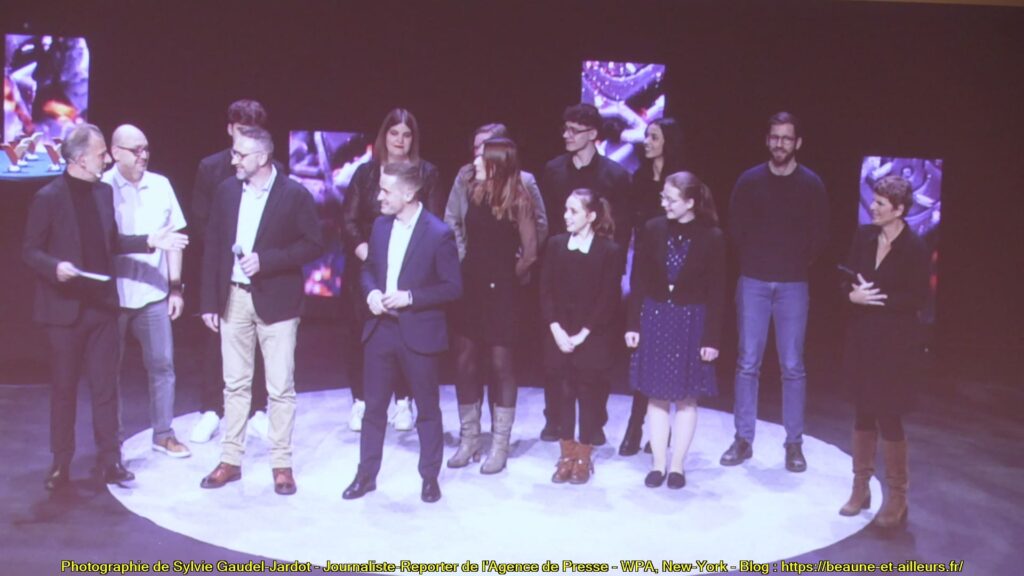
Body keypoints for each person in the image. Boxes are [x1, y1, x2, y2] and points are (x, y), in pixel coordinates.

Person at [23, 123, 188, 490]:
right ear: (81, 159)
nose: (107, 160)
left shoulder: (102, 193)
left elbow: (112, 242)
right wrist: (55, 267)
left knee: (105, 388)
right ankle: (60, 462)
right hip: (64, 312)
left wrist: (149, 241)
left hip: (101, 308)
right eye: (101, 155)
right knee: (64, 389)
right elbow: (30, 250)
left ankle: (110, 459)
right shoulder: (49, 197)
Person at [199, 126, 322, 496]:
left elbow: (313, 244)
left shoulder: (294, 194)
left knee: (280, 387)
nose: (233, 159)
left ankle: (281, 464)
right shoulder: (226, 191)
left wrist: (266, 260)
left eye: (240, 154)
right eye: (234, 152)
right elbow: (213, 246)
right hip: (233, 299)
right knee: (235, 383)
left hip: (278, 301)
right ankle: (230, 459)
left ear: (263, 157)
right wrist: (209, 301)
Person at [342, 162, 462, 503]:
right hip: (380, 329)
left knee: (427, 409)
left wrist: (411, 297)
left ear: (408, 193)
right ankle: (366, 476)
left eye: (385, 190)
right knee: (374, 408)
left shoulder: (438, 233)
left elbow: (452, 287)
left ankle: (429, 477)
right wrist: (370, 293)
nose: (379, 197)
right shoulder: (381, 227)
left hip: (418, 333)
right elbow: (368, 269)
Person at [721, 111, 828, 473]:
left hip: (793, 283)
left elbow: (819, 234)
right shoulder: (749, 181)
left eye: (787, 138)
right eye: (775, 137)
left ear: (798, 143)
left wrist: (795, 263)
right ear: (767, 140)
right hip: (753, 280)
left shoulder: (811, 184)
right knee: (747, 362)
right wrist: (755, 259)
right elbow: (735, 228)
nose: (780, 144)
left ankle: (794, 444)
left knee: (793, 366)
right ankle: (743, 439)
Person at [340, 108, 440, 432]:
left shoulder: (427, 173)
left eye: (407, 134)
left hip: (409, 269)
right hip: (366, 268)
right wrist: (369, 255)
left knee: (404, 335)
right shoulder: (366, 173)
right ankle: (361, 401)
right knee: (361, 335)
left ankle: (404, 401)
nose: (400, 140)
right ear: (384, 136)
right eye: (394, 133)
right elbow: (349, 221)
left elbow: (434, 223)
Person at [838, 175, 928, 528]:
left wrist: (878, 299)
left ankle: (898, 497)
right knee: (862, 412)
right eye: (873, 201)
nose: (872, 207)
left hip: (895, 344)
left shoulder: (915, 248)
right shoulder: (863, 237)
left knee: (888, 415)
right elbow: (844, 277)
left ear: (899, 210)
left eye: (880, 203)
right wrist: (851, 295)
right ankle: (860, 488)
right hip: (862, 336)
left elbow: (918, 298)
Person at [539, 103, 631, 443]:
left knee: (595, 361)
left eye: (574, 130)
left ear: (593, 134)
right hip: (560, 267)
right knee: (556, 358)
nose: (566, 135)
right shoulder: (553, 171)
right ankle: (555, 420)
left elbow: (623, 229)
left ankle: (594, 424)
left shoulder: (615, 176)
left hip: (598, 274)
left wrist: (612, 272)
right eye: (565, 129)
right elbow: (547, 219)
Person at [626, 172, 724, 489]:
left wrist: (711, 338)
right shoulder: (653, 229)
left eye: (671, 199)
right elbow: (638, 280)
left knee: (686, 398)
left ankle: (677, 466)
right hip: (656, 317)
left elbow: (717, 292)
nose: (664, 203)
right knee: (655, 395)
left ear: (691, 202)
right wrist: (633, 323)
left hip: (690, 321)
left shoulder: (712, 237)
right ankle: (658, 463)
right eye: (663, 197)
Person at [447, 137, 538, 474]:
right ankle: (470, 438)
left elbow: (530, 252)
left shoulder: (520, 200)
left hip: (502, 291)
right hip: (470, 287)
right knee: (464, 360)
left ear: (498, 164)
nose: (476, 162)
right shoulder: (474, 191)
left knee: (501, 364)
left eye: (483, 158)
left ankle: (499, 444)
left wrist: (507, 276)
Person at [102, 124, 190, 458]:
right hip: (112, 299)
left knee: (162, 366)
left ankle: (163, 434)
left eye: (146, 148)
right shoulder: (102, 188)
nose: (143, 155)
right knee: (108, 372)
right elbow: (103, 243)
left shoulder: (161, 185)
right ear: (115, 153)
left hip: (153, 294)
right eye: (135, 150)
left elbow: (174, 241)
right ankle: (111, 442)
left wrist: (175, 288)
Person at [190, 99, 271, 444]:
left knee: (261, 341)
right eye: (240, 131)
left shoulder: (273, 170)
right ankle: (212, 409)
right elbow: (200, 222)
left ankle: (258, 410)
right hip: (222, 268)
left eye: (252, 132)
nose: (244, 140)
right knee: (215, 341)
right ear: (229, 129)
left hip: (259, 273)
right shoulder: (211, 168)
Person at [541, 189, 621, 484]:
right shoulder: (556, 245)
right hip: (559, 334)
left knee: (588, 394)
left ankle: (584, 456)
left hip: (592, 336)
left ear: (591, 216)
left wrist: (583, 334)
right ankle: (566, 454)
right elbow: (545, 290)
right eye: (566, 209)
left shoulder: (609, 251)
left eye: (573, 211)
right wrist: (556, 329)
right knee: (563, 392)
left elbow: (608, 298)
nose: (566, 216)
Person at [619, 117, 687, 457]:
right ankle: (635, 425)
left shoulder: (683, 181)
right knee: (643, 349)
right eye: (646, 135)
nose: (646, 141)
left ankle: (661, 430)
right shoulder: (639, 179)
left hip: (675, 270)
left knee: (669, 352)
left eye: (653, 137)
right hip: (645, 267)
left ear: (668, 143)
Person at [444, 123, 548, 261]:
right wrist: (462, 257)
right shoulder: (466, 177)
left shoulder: (524, 181)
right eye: (476, 147)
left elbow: (540, 225)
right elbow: (451, 219)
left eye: (484, 145)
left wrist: (520, 259)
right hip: (472, 261)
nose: (478, 152)